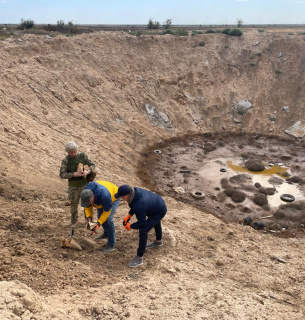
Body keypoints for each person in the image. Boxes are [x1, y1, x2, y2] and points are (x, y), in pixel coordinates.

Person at [115, 184, 167, 267]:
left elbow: (142, 223)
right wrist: (129, 215)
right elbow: (134, 204)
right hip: (156, 204)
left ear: (127, 195)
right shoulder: (135, 192)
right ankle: (158, 242)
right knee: (155, 222)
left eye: (121, 196)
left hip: (159, 210)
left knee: (143, 230)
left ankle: (139, 258)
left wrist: (131, 226)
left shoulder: (139, 205)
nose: (120, 198)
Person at [59, 141, 95, 228]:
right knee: (74, 204)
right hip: (73, 187)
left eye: (74, 152)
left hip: (84, 185)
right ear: (67, 152)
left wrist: (87, 171)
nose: (73, 154)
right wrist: (73, 174)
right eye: (71, 153)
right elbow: (62, 174)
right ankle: (74, 221)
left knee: (87, 203)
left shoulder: (83, 156)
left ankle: (88, 220)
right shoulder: (66, 160)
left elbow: (93, 165)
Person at [80, 181, 120, 253]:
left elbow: (107, 212)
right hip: (99, 199)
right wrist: (89, 217)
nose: (87, 204)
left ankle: (111, 244)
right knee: (100, 216)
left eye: (88, 202)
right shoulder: (86, 194)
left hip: (113, 196)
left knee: (108, 219)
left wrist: (98, 224)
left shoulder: (105, 196)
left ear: (92, 197)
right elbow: (87, 207)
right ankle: (106, 233)